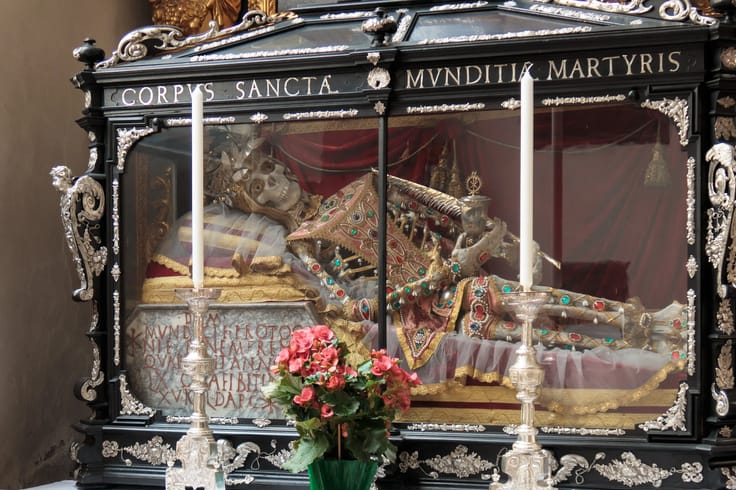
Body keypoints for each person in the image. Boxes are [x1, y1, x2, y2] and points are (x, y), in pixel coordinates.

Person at [143, 125, 687, 413]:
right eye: (257, 188)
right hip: (413, 323)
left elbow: (419, 225)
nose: (271, 184)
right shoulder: (301, 249)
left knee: (503, 290)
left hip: (441, 289)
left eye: (268, 170)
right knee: (515, 335)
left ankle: (646, 320)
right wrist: (450, 271)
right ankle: (622, 354)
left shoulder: (353, 196)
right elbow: (356, 307)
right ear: (255, 206)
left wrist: (468, 239)